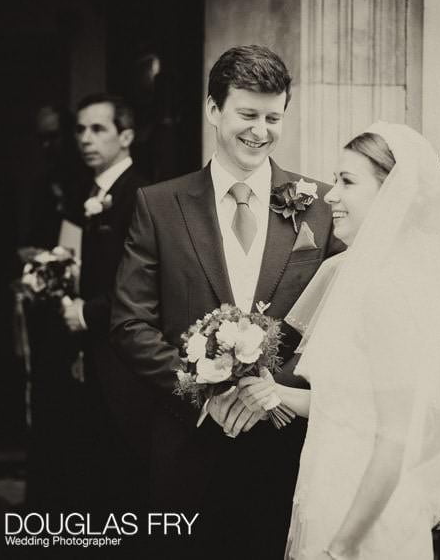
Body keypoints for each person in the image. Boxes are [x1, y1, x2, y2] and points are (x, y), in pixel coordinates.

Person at [110, 45, 344, 559]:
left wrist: (276, 394)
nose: (260, 130)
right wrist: (205, 393)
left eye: (273, 117)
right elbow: (130, 323)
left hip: (290, 450)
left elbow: (346, 322)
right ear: (214, 110)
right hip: (189, 447)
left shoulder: (322, 207)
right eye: (247, 114)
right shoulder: (159, 204)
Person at [238, 122, 440, 559]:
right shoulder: (360, 277)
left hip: (365, 517)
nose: (330, 194)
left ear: (391, 193)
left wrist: (340, 549)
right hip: (332, 492)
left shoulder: (387, 291)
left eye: (347, 181)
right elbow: (349, 404)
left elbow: (397, 440)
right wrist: (275, 393)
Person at [62, 93, 148, 511]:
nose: (85, 139)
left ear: (126, 135)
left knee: (123, 470)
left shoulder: (140, 195)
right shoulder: (88, 192)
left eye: (98, 129)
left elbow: (141, 283)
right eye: (80, 129)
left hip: (125, 355)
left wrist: (84, 313)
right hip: (93, 351)